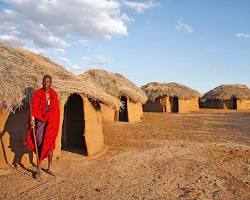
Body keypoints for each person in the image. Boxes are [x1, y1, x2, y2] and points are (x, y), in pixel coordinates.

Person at [25, 75, 60, 178]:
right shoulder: (37, 93)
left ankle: (49, 168)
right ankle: (39, 166)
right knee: (40, 142)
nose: (46, 83)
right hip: (40, 120)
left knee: (50, 144)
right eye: (44, 81)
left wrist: (52, 120)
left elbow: (55, 109)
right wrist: (32, 118)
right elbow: (34, 107)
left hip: (52, 122)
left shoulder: (54, 94)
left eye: (48, 82)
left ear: (51, 83)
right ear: (42, 82)